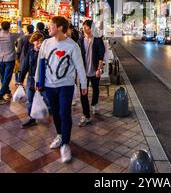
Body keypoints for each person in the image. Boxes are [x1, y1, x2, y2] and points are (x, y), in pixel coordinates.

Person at [35, 16, 87, 163]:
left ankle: (65, 144)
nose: (48, 27)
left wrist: (83, 84)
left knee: (65, 113)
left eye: (51, 25)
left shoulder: (72, 46)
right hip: (49, 85)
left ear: (59, 28)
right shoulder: (46, 43)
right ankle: (59, 135)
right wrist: (37, 80)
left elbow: (80, 67)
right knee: (56, 113)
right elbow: (41, 63)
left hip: (66, 85)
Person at [78, 20, 106, 127]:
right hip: (83, 71)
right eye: (84, 27)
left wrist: (99, 69)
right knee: (83, 93)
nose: (84, 29)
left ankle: (94, 104)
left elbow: (101, 55)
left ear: (91, 28)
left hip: (94, 69)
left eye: (87, 27)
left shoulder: (98, 40)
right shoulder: (80, 40)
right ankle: (86, 114)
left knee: (95, 88)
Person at [19, 32, 47, 128]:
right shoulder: (30, 52)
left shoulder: (45, 52)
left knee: (47, 98)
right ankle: (32, 119)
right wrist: (20, 80)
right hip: (31, 78)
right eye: (36, 41)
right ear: (33, 42)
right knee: (30, 99)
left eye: (40, 41)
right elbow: (25, 66)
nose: (39, 43)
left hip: (43, 79)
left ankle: (51, 112)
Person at [0, 21, 24, 105]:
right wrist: (19, 26)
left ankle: (7, 92)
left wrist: (0, 27)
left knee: (3, 77)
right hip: (9, 59)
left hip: (0, 58)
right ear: (9, 27)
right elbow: (22, 34)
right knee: (7, 78)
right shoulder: (11, 36)